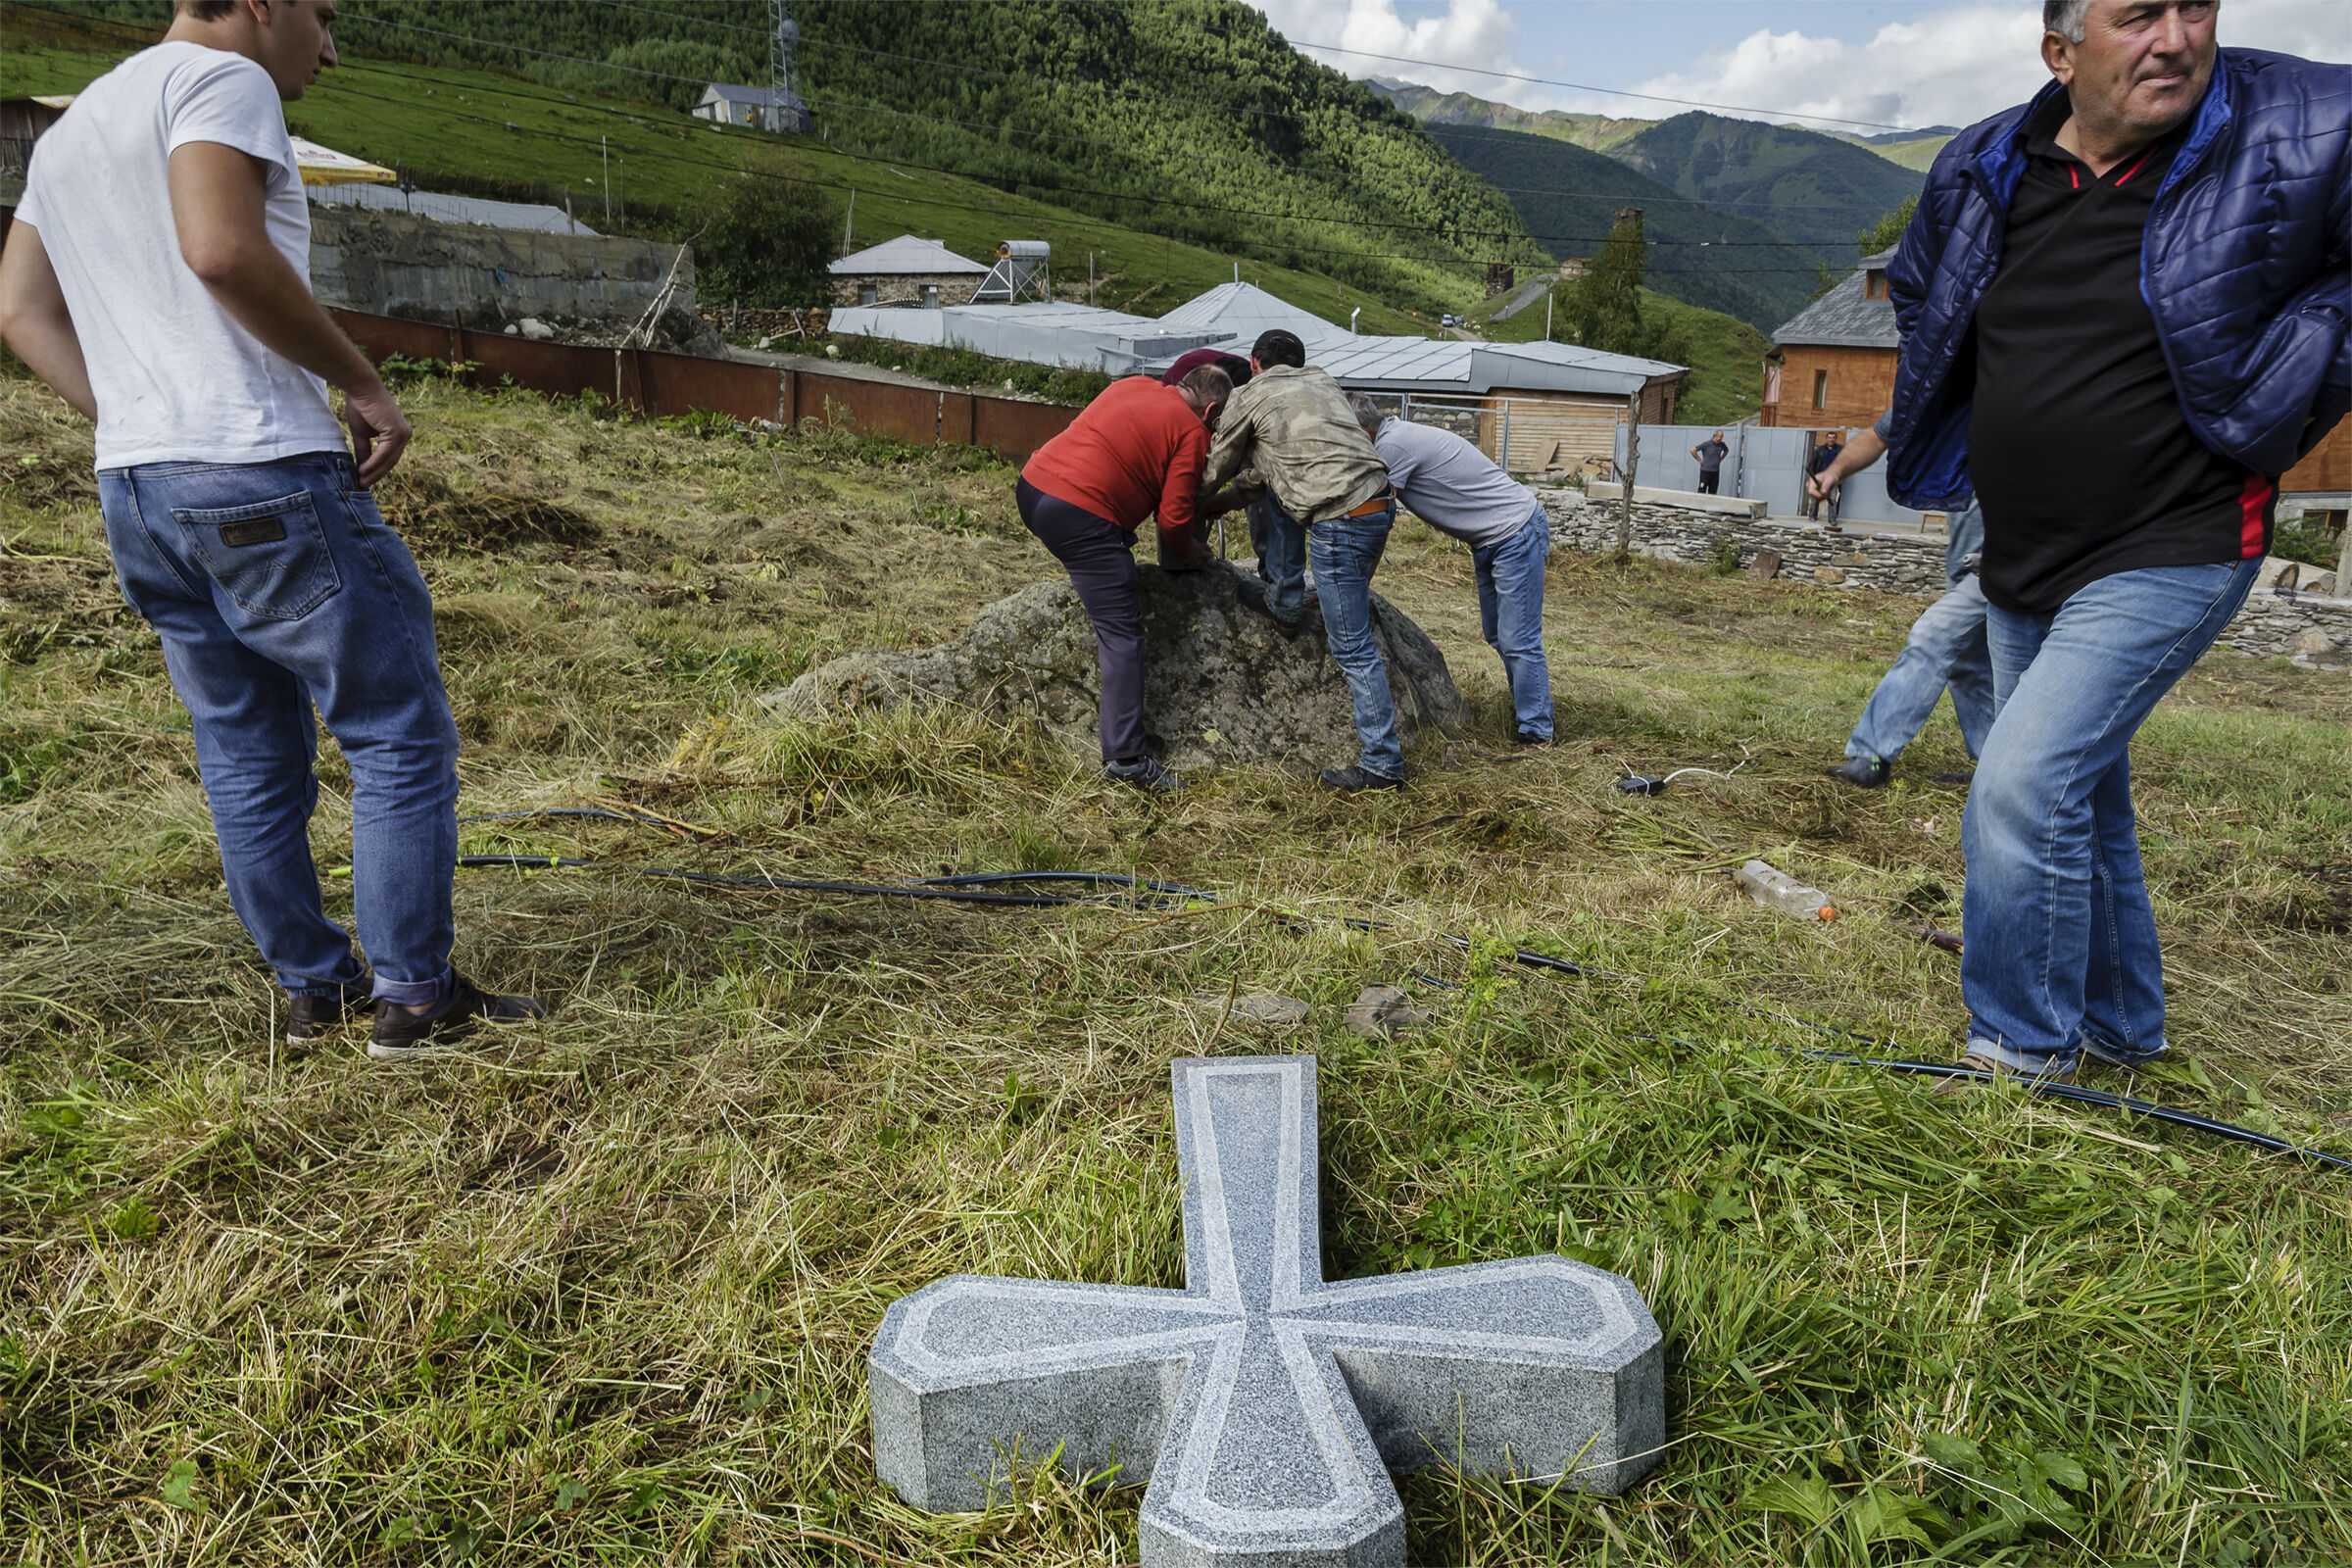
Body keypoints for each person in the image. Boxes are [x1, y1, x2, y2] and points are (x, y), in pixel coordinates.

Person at [0, 0, 548, 1059]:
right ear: (259, 3)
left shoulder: (75, 125)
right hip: (259, 465)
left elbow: (19, 309)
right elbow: (219, 247)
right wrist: (362, 382)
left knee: (243, 748)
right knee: (396, 729)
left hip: (139, 488)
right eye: (324, 16)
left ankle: (316, 987)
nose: (332, 47)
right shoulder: (222, 81)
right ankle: (414, 998)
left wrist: (133, 422)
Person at [1882, 0, 2348, 1092]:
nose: (2179, 37)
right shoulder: (1985, 164)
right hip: (2026, 543)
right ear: (2061, 50)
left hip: (2176, 538)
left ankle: (2020, 1057)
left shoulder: (2298, 127)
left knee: (2020, 783)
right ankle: (2124, 1030)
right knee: (2084, 801)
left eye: (2197, 7)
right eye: (2141, 15)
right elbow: (1921, 292)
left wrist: (2310, 344)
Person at [1200, 330, 1401, 793]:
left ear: (1253, 365)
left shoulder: (1251, 394)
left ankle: (1383, 765)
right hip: (1378, 502)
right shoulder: (1323, 382)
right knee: (1282, 496)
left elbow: (1217, 467)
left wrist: (1188, 503)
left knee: (1352, 649)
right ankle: (1285, 600)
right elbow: (1273, 475)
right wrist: (1229, 502)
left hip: (1341, 519)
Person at [1016, 365, 1229, 792]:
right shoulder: (1192, 432)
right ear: (1211, 411)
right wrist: (1191, 552)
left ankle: (1102, 565)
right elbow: (1172, 521)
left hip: (1033, 485)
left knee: (1107, 576)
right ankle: (1127, 758)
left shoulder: (1135, 384)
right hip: (1081, 513)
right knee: (1123, 633)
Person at [1349, 393, 1554, 746]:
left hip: (1514, 533)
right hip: (1493, 538)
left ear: (1363, 431)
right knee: (1498, 634)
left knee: (1518, 639)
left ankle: (1537, 731)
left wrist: (1359, 577)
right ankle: (1528, 708)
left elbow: (1378, 517)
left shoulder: (1393, 448)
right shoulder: (1393, 438)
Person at [1814, 414, 1994, 788]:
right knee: (1971, 664)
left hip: (2008, 563)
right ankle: (1997, 766)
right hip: (1965, 565)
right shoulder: (1945, 387)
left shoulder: (2023, 382)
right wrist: (1835, 471)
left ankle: (1872, 757)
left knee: (1933, 635)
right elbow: (1877, 436)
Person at [1805, 431, 1845, 522]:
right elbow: (1812, 463)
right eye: (1829, 438)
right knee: (1816, 497)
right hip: (1819, 477)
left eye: (1833, 438)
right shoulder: (1819, 449)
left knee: (1832, 498)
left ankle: (1832, 519)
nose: (1831, 440)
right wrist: (1812, 477)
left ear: (1836, 439)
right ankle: (1812, 516)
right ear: (1826, 438)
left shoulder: (1839, 450)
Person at [1688, 429, 1729, 495]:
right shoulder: (1707, 444)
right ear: (1715, 436)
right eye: (1720, 436)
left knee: (1713, 491)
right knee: (1702, 489)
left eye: (1722, 437)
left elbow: (1726, 451)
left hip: (1715, 472)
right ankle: (1700, 503)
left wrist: (1721, 459)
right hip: (1705, 471)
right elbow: (1693, 450)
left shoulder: (1722, 445)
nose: (1721, 438)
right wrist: (1699, 460)